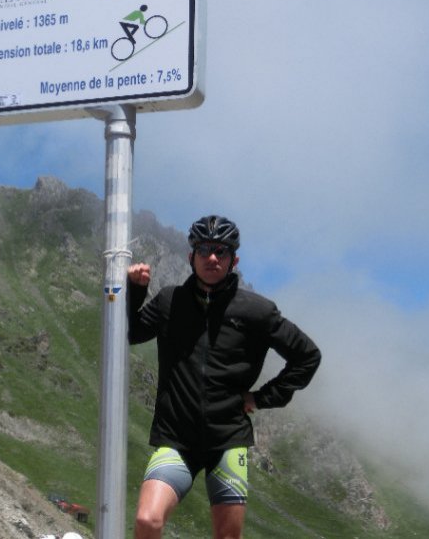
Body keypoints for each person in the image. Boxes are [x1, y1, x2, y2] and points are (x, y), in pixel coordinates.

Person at [127, 215, 322, 539]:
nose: (212, 257)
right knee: (148, 520)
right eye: (204, 249)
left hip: (227, 441)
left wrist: (261, 398)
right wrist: (136, 291)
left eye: (221, 251)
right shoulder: (169, 301)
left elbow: (307, 356)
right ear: (191, 256)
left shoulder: (256, 311)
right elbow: (130, 333)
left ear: (234, 260)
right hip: (176, 439)